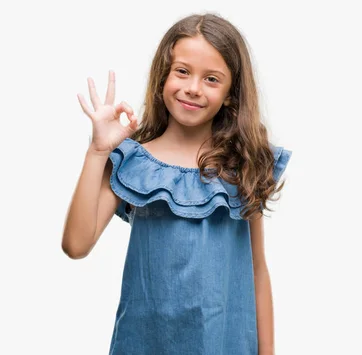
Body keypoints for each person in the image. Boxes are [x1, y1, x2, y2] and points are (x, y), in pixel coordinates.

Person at [61, 13, 291, 355]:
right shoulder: (132, 162)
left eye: (212, 79)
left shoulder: (243, 166)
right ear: (163, 76)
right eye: (182, 71)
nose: (193, 88)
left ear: (231, 93)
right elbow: (76, 245)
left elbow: (257, 269)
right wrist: (97, 152)